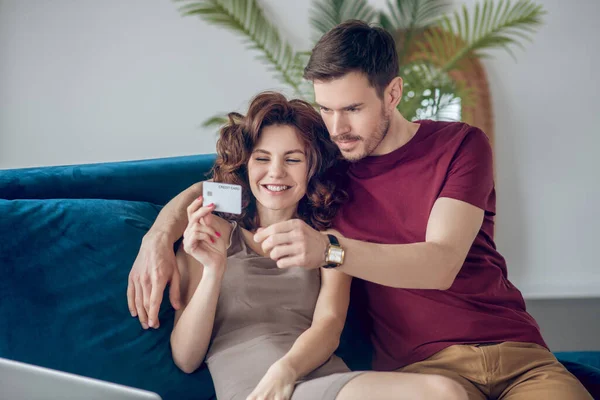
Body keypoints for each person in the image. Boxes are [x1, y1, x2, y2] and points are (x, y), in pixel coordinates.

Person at [128, 21, 592, 400]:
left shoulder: (460, 145)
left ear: (392, 94)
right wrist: (157, 237)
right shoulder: (326, 170)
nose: (337, 128)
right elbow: (227, 184)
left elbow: (441, 261)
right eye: (326, 109)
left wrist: (329, 249)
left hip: (517, 354)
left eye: (351, 109)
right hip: (421, 368)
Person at [167, 91, 466, 400]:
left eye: (293, 159)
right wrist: (214, 269)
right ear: (245, 165)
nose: (276, 172)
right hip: (253, 391)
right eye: (262, 158)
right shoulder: (208, 235)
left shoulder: (328, 240)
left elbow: (329, 325)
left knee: (444, 392)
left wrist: (285, 371)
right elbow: (186, 358)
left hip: (317, 379)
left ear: (312, 168)